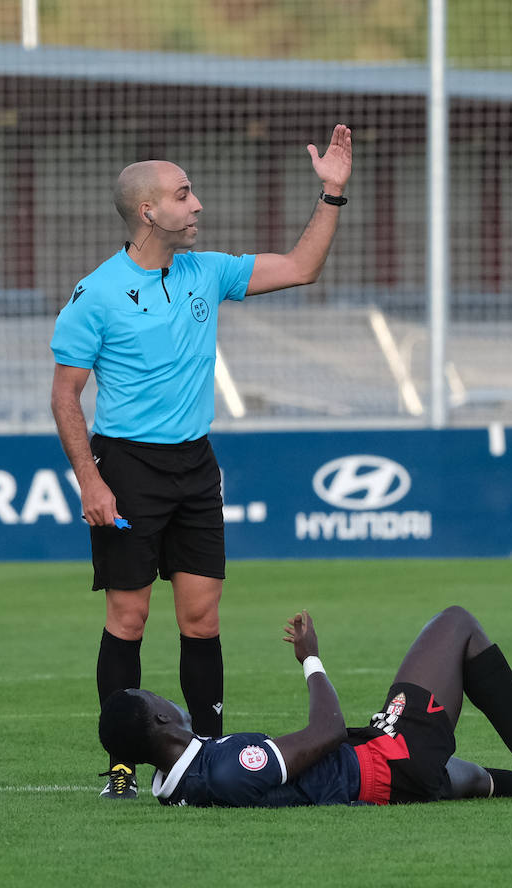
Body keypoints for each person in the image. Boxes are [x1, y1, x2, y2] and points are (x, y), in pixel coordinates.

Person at [50, 125, 354, 800]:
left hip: (194, 465)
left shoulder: (206, 271)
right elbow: (65, 396)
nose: (198, 205)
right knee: (128, 619)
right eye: (184, 194)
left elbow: (302, 267)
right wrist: (92, 481)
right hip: (125, 466)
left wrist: (332, 194)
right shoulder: (96, 293)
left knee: (202, 619)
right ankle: (123, 766)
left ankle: (207, 751)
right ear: (149, 211)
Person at [99, 606, 512, 807]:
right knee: (456, 625)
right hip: (387, 762)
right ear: (161, 718)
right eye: (155, 697)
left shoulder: (173, 783)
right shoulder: (226, 769)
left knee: (473, 780)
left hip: (386, 765)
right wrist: (311, 659)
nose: (164, 694)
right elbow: (323, 732)